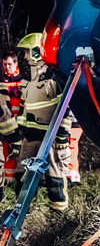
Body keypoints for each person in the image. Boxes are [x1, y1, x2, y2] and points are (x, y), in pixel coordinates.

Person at [13, 33, 72, 210]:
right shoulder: (27, 80)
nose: (25, 56)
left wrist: (62, 137)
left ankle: (59, 213)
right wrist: (20, 135)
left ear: (37, 51)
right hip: (30, 138)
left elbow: (66, 109)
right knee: (22, 176)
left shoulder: (55, 78)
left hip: (51, 138)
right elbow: (25, 109)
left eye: (27, 51)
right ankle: (23, 211)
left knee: (55, 178)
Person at [0, 51, 24, 186]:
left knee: (17, 150)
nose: (6, 67)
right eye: (4, 64)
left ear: (16, 64)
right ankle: (8, 178)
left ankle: (15, 177)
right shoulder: (2, 81)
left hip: (18, 121)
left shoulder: (22, 80)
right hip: (6, 121)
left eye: (9, 64)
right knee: (5, 149)